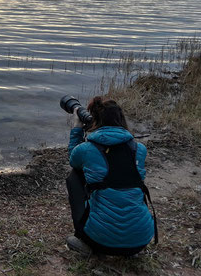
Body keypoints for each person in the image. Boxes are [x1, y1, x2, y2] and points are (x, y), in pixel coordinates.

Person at [65, 96, 156, 256]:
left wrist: (77, 128)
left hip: (99, 242)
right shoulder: (139, 150)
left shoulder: (87, 149)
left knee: (75, 175)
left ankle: (84, 241)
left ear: (94, 120)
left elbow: (73, 159)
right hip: (141, 240)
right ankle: (130, 241)